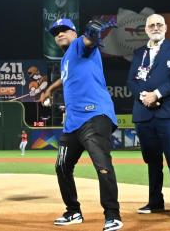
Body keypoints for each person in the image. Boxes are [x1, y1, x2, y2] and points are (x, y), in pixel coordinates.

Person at [40, 18, 123, 231]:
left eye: (63, 30)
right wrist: (50, 89)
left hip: (94, 115)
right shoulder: (66, 58)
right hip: (73, 123)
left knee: (102, 165)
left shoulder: (79, 45)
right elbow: (66, 78)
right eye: (55, 32)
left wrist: (93, 32)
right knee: (62, 166)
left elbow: (90, 40)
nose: (58, 34)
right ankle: (73, 211)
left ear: (75, 33)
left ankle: (112, 215)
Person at [126, 14, 170, 217]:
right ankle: (155, 201)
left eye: (159, 24)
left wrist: (157, 94)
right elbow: (131, 81)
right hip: (144, 113)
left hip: (169, 112)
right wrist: (143, 95)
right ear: (145, 29)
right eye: (151, 25)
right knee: (152, 161)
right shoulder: (138, 53)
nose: (155, 27)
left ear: (165, 27)